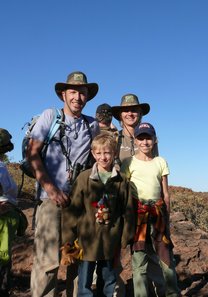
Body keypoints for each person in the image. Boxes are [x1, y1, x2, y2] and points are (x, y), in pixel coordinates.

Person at [27, 71, 100, 297]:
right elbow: (33, 153)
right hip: (50, 200)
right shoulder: (50, 116)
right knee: (48, 261)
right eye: (73, 91)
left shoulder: (92, 125)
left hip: (80, 204)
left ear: (87, 96)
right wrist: (51, 188)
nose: (77, 97)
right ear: (63, 95)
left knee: (78, 259)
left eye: (82, 92)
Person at [62, 133, 135, 297]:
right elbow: (73, 209)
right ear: (93, 154)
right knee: (84, 282)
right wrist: (68, 238)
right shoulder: (84, 178)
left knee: (108, 280)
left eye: (107, 152)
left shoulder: (121, 180)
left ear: (114, 153)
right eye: (99, 153)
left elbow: (128, 211)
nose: (103, 157)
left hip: (111, 239)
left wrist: (124, 238)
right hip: (87, 239)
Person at [121, 122, 180, 297]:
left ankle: (172, 293)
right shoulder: (128, 162)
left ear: (155, 140)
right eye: (141, 138)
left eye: (148, 138)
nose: (145, 142)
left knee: (166, 257)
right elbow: (123, 190)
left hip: (158, 212)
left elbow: (166, 193)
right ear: (135, 141)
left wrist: (167, 218)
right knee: (139, 259)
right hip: (138, 214)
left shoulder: (160, 162)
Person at [0, 128, 28, 296]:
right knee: (3, 256)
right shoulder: (2, 168)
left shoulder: (2, 167)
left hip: (7, 215)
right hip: (5, 215)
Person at [110, 94, 151, 164]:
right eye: (126, 110)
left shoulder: (150, 138)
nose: (130, 113)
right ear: (120, 115)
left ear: (140, 113)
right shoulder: (113, 138)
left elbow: (156, 165)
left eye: (134, 110)